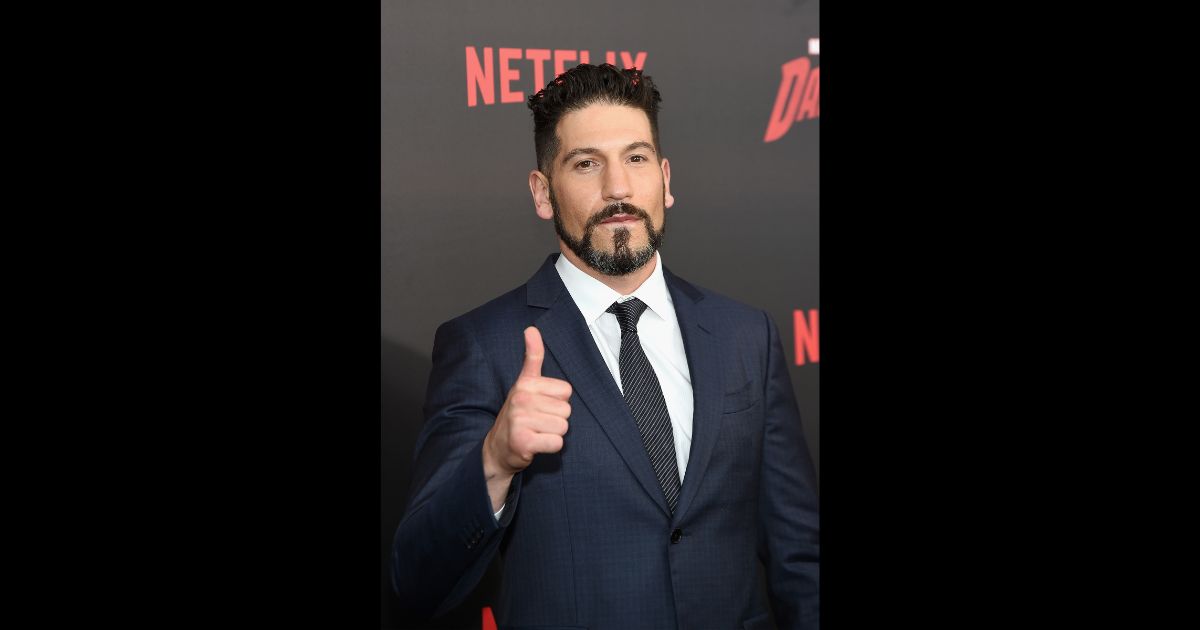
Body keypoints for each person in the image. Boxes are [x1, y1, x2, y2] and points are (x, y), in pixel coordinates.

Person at [392, 63, 819, 630]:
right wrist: (493, 461)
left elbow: (802, 559)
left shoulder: (747, 336)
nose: (618, 188)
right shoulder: (484, 345)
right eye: (586, 163)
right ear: (542, 193)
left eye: (636, 158)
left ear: (666, 178)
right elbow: (417, 582)